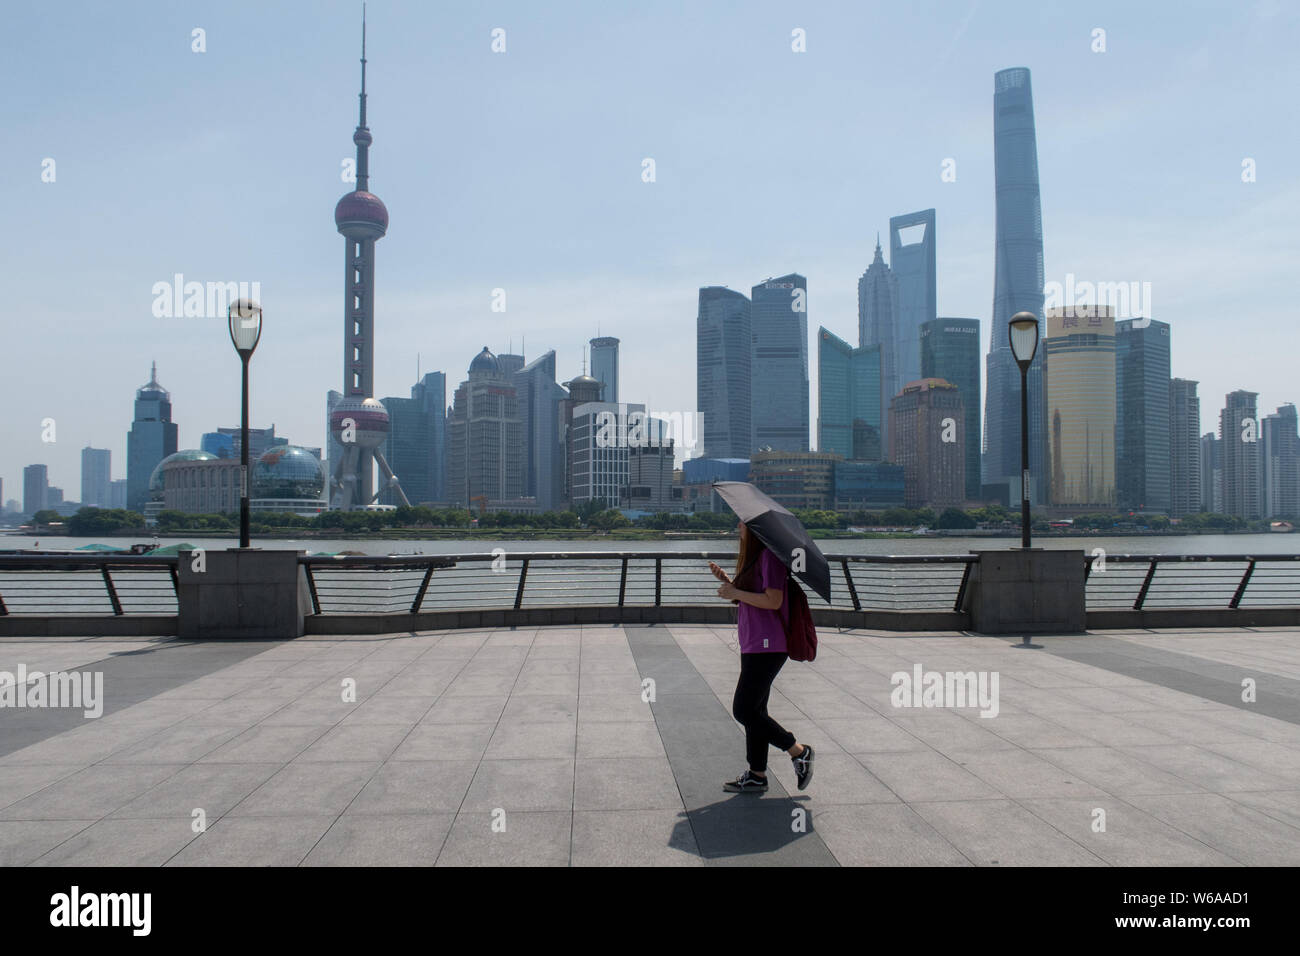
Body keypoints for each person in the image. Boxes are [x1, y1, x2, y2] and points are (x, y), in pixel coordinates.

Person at [709, 521, 814, 793]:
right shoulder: (758, 558)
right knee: (756, 710)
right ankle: (757, 774)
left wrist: (735, 592)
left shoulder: (769, 556)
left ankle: (798, 751)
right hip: (755, 642)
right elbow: (754, 597)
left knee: (743, 709)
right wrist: (729, 585)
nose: (738, 527)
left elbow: (773, 600)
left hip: (769, 644)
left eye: (742, 524)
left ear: (755, 529)